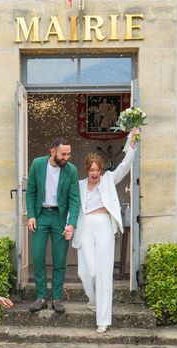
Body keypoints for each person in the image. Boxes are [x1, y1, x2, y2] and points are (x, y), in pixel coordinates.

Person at [71, 129, 138, 333]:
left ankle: (104, 320)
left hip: (104, 227)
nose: (94, 173)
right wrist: (69, 225)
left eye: (97, 170)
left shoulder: (109, 179)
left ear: (101, 170)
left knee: (103, 273)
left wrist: (132, 142)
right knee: (86, 272)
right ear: (87, 170)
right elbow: (73, 206)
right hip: (84, 227)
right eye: (91, 170)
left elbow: (125, 166)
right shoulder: (79, 185)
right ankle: (93, 300)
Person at [26, 138, 80, 313]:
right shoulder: (37, 164)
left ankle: (56, 298)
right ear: (53, 152)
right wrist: (31, 216)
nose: (67, 157)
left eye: (69, 154)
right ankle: (41, 297)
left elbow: (74, 199)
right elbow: (31, 192)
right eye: (63, 154)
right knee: (38, 256)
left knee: (59, 260)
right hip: (41, 215)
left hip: (60, 217)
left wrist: (71, 224)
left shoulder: (71, 170)